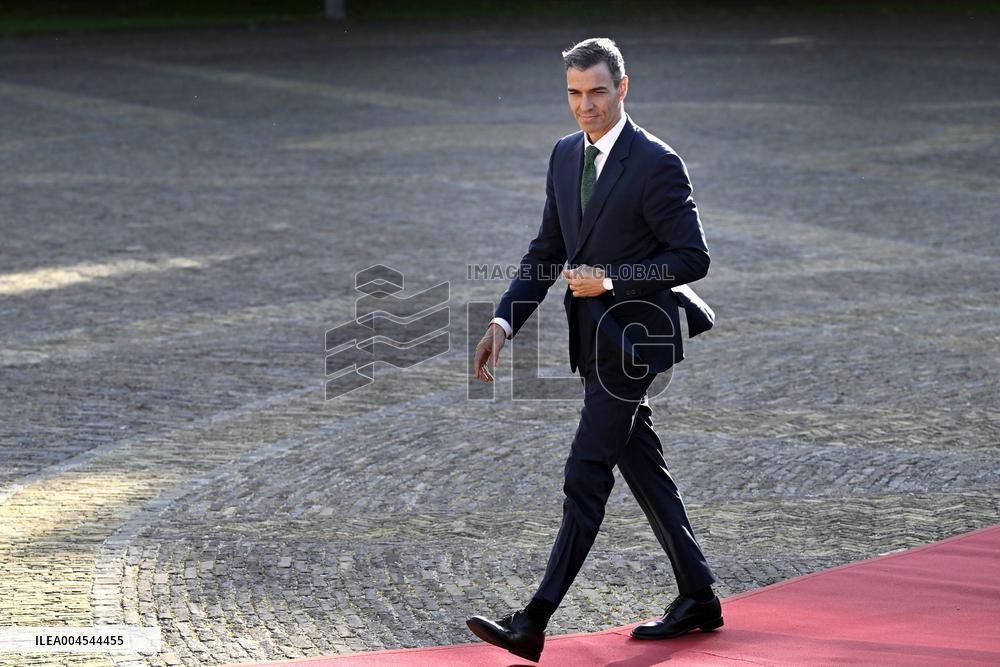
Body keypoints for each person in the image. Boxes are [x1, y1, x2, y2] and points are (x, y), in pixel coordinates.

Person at [466, 38, 723, 662]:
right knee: (641, 464)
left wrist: (609, 279)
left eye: (598, 92)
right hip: (593, 340)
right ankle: (699, 595)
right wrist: (503, 322)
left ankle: (533, 620)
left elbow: (693, 257)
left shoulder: (657, 161)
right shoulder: (562, 155)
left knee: (587, 469)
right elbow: (547, 250)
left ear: (623, 88)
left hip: (636, 341)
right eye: (575, 94)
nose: (586, 106)